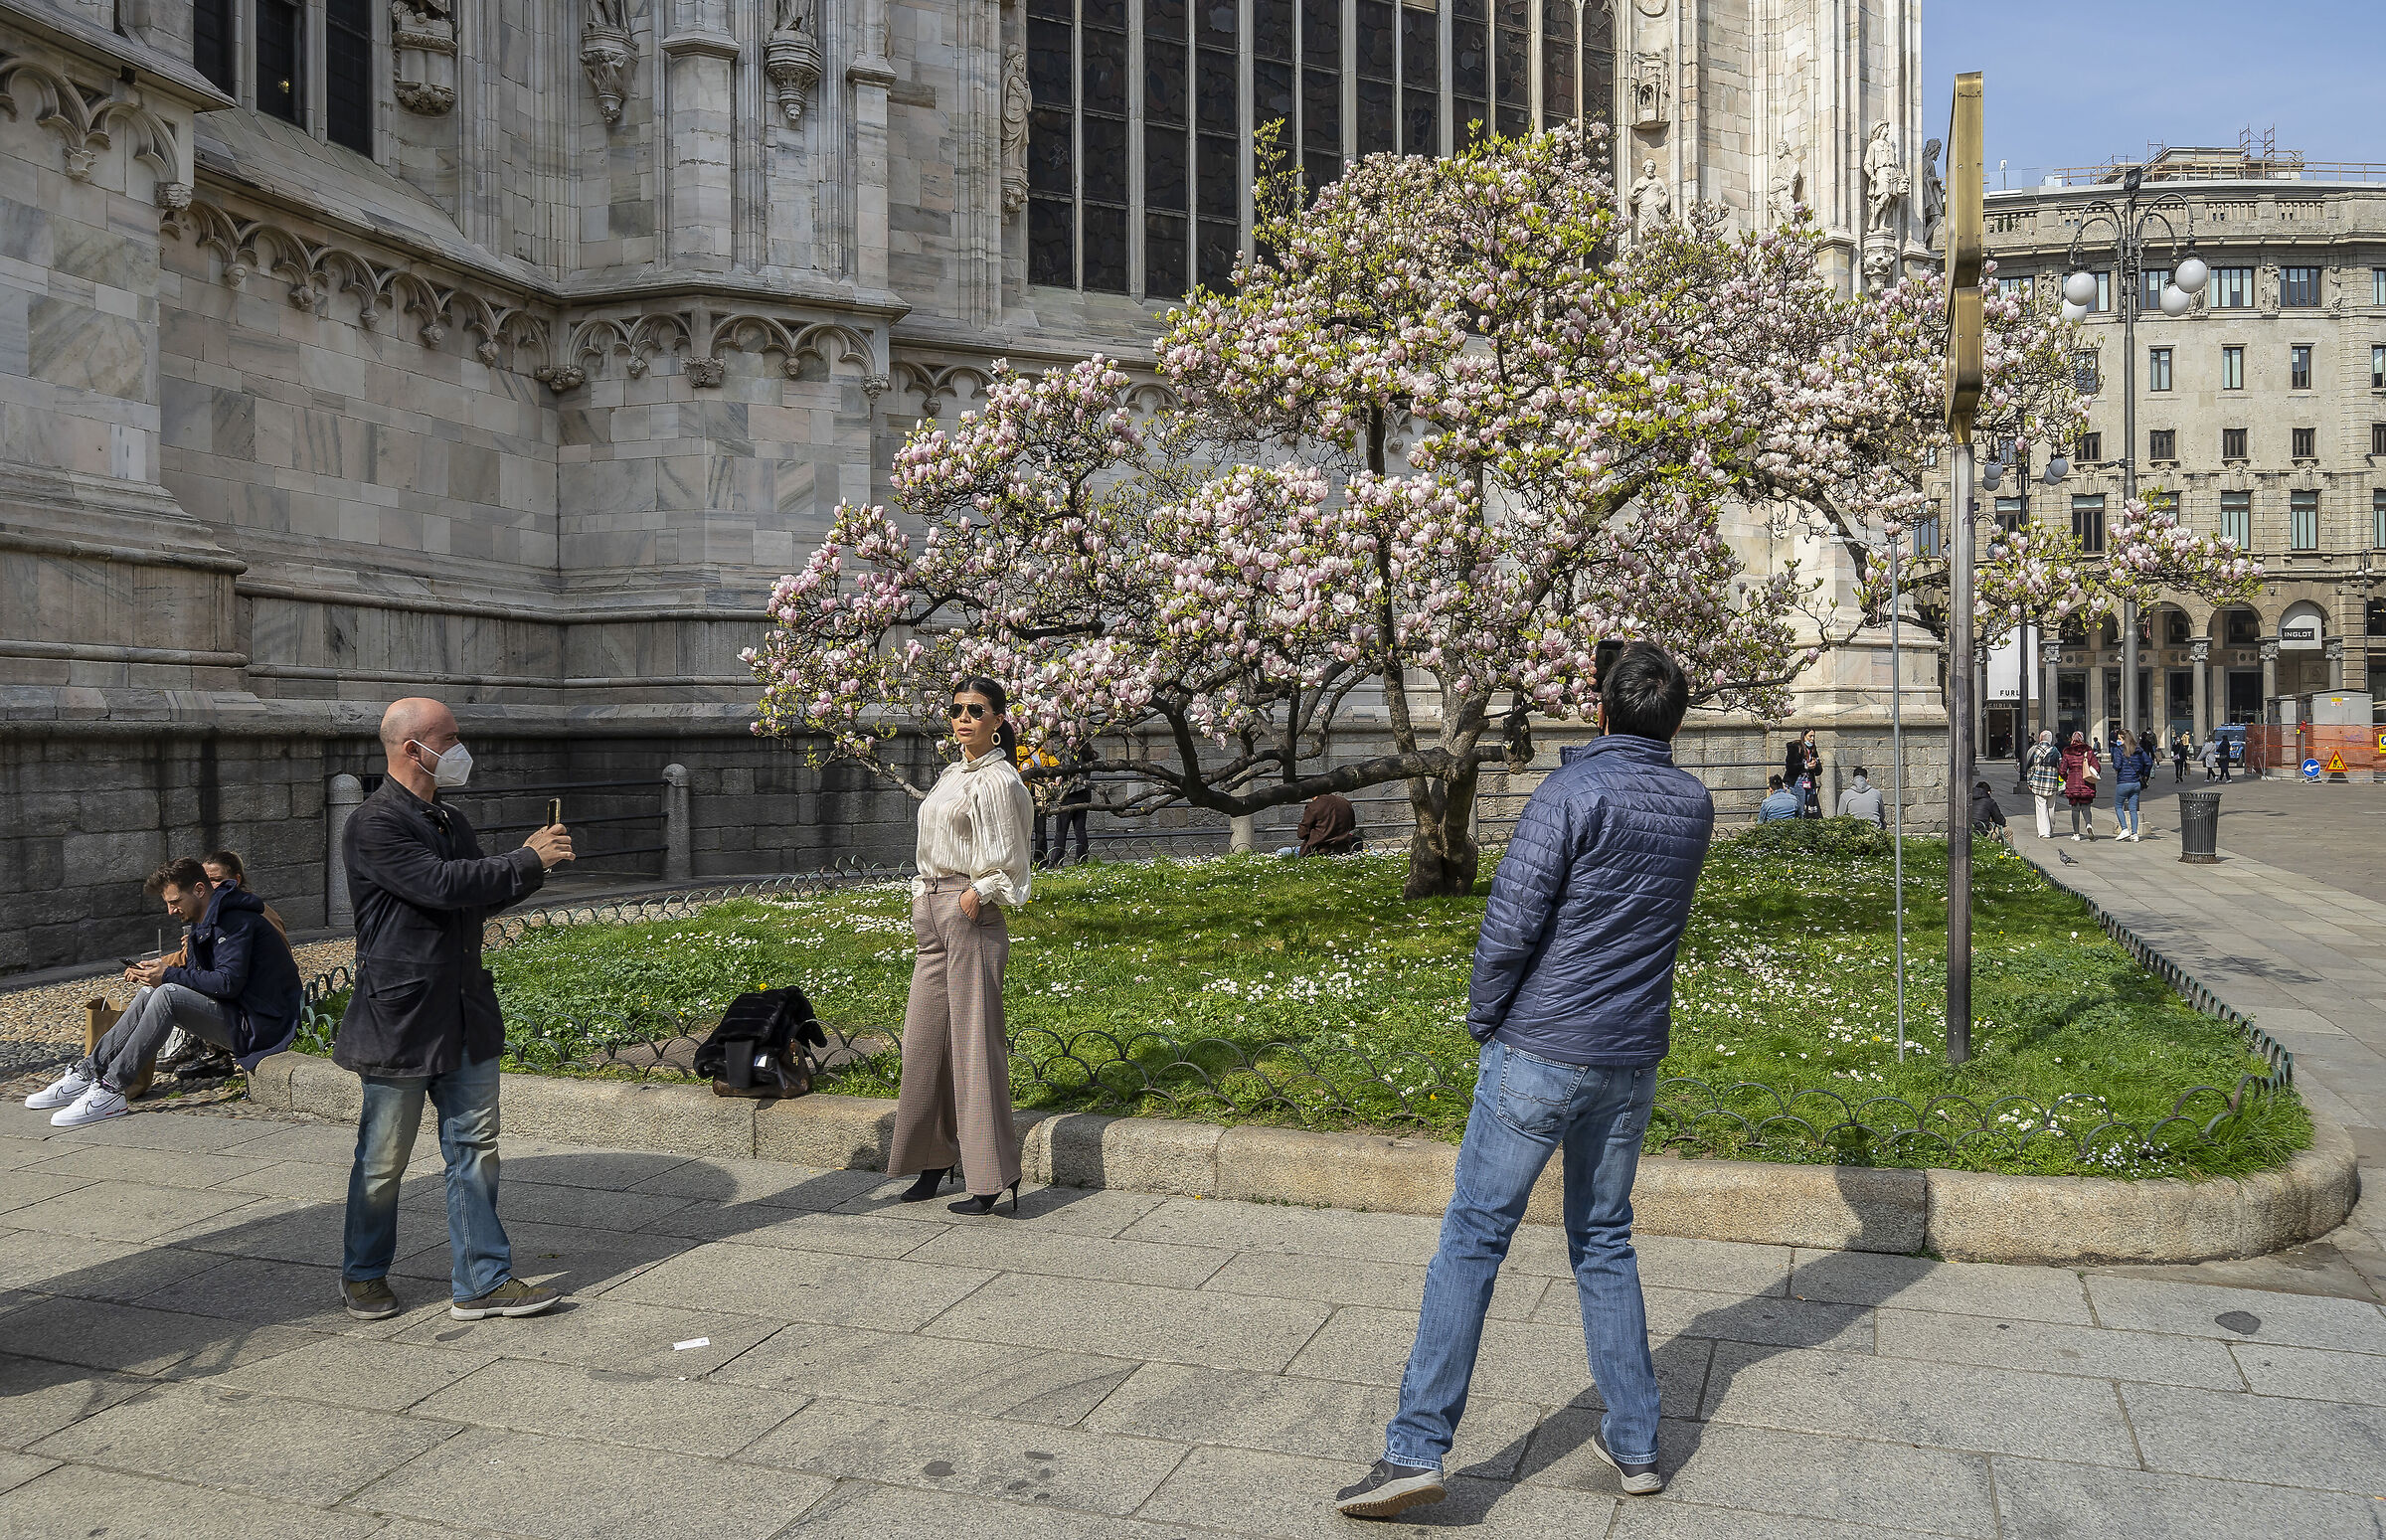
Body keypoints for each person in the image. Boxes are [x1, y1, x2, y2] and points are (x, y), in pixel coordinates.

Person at [1334, 642, 1712, 1518]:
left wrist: (1484, 1017)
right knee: (1606, 1240)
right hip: (1628, 1058)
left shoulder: (1571, 792)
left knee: (1472, 1237)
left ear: (1601, 709)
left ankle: (1414, 1449)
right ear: (1677, 720)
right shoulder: (1692, 804)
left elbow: (1510, 922)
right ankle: (1637, 1440)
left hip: (1542, 1046)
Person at [336, 697, 575, 1324]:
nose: (462, 748)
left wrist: (530, 866)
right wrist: (523, 861)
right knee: (384, 1158)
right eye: (452, 737)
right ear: (414, 748)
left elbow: (470, 897)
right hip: (402, 1018)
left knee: (474, 1146)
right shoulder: (374, 824)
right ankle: (363, 1272)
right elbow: (439, 886)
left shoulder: (448, 819)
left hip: (464, 1010)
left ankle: (481, 1281)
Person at [890, 676, 1038, 1217]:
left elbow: (1011, 855)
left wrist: (978, 892)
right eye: (956, 710)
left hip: (969, 912)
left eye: (976, 710)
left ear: (998, 720)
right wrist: (920, 897)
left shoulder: (1000, 780)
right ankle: (935, 1160)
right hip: (932, 912)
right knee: (925, 1043)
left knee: (975, 1048)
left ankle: (991, 1176)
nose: (963, 718)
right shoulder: (952, 775)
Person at [26, 858, 302, 1127]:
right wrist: (160, 971)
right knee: (149, 993)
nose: (171, 910)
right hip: (241, 1014)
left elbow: (227, 984)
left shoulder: (234, 921)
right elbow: (202, 977)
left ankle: (111, 1089)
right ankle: (88, 1073)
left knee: (167, 993)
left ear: (199, 890)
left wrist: (167, 974)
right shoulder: (206, 918)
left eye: (174, 902)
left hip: (263, 1024)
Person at [156, 849, 290, 1078]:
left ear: (235, 880)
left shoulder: (246, 915)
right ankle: (101, 1068)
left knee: (169, 991)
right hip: (234, 1002)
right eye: (206, 880)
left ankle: (113, 1079)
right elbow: (194, 962)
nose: (209, 887)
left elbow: (230, 975)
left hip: (254, 1012)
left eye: (216, 880)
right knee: (156, 988)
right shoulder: (209, 914)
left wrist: (168, 968)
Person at [1052, 742, 1095, 866]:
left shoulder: (1072, 753)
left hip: (1069, 793)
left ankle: (1056, 862)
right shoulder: (1087, 752)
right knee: (1080, 829)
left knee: (1061, 830)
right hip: (1083, 794)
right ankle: (1082, 860)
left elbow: (1065, 770)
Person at [2111, 731, 2153, 843]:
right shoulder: (2138, 750)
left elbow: (2117, 765)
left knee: (2118, 805)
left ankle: (2124, 829)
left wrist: (2115, 765)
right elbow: (2149, 762)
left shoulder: (2119, 750)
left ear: (2124, 739)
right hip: (2136, 783)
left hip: (2123, 782)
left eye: (2120, 738)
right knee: (2133, 809)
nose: (2118, 741)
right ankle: (2135, 834)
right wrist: (2144, 774)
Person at [2060, 730, 2101, 841]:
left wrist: (2068, 779)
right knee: (2086, 807)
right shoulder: (2088, 752)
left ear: (2072, 739)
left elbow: (2062, 770)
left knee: (2075, 809)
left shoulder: (2067, 753)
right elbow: (2097, 767)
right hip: (2086, 783)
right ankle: (2088, 824)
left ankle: (2076, 833)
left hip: (2072, 783)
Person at [2022, 729, 2063, 839]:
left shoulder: (2035, 750)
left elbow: (2031, 768)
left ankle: (2044, 831)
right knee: (2051, 807)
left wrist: (2030, 782)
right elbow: (2061, 766)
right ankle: (2050, 827)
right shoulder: (2055, 750)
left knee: (2041, 807)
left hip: (2039, 783)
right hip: (2052, 783)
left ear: (2040, 738)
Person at [1296, 790, 1364, 856]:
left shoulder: (1313, 806)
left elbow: (1302, 833)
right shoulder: (1345, 802)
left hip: (1318, 851)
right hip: (1344, 849)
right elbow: (1352, 826)